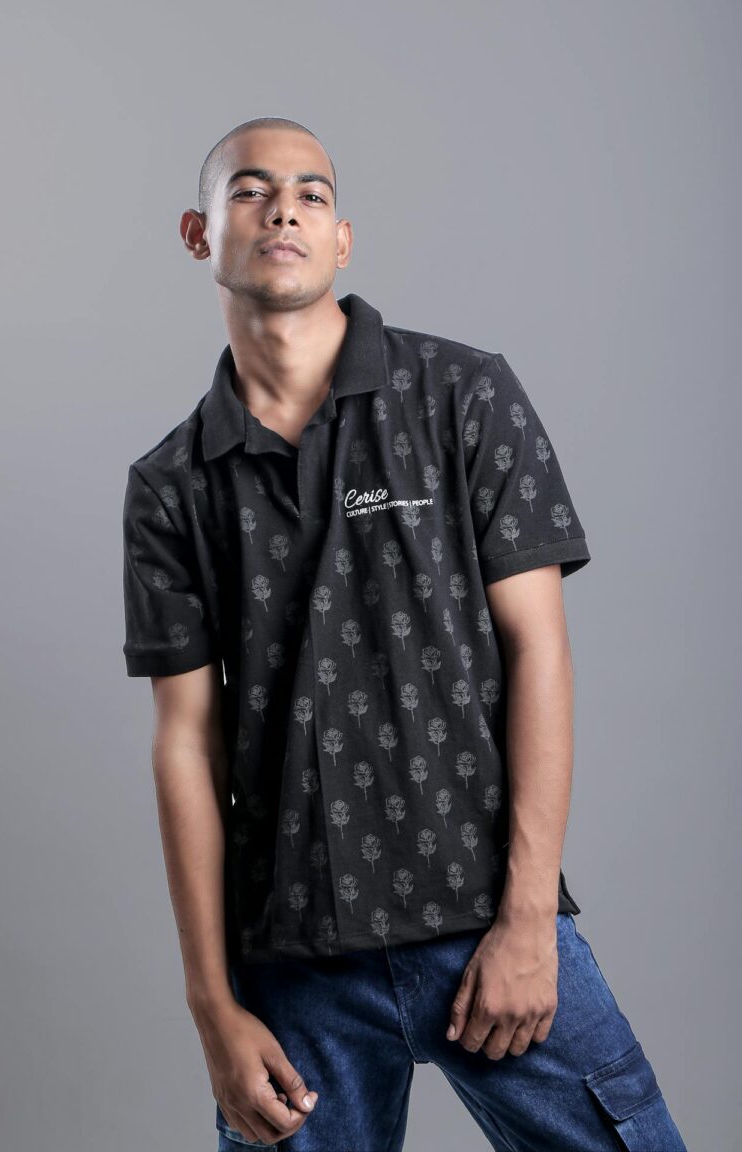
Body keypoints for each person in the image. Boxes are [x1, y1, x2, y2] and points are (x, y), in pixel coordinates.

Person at [121, 116, 688, 1151]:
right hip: (293, 963)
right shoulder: (170, 486)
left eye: (311, 193)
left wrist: (528, 921)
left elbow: (540, 653)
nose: (284, 210)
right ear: (199, 234)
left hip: (487, 924)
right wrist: (212, 1006)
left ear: (342, 240)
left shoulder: (464, 396)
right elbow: (186, 747)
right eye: (250, 190)